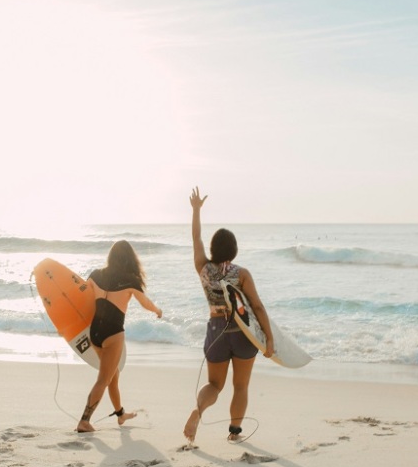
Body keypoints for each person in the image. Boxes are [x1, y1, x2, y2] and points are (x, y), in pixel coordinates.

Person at [183, 187, 275, 443]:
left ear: (213, 249)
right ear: (234, 250)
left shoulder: (203, 268)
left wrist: (196, 210)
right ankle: (234, 433)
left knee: (214, 385)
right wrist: (269, 338)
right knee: (241, 386)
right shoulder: (241, 273)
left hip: (216, 332)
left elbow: (196, 238)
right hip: (242, 333)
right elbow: (256, 306)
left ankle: (198, 411)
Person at [77, 240, 162, 433]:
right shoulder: (130, 280)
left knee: (112, 375)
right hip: (113, 334)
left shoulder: (95, 275)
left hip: (95, 333)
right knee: (103, 379)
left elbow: (81, 295)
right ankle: (84, 420)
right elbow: (145, 303)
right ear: (130, 258)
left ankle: (120, 414)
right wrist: (158, 311)